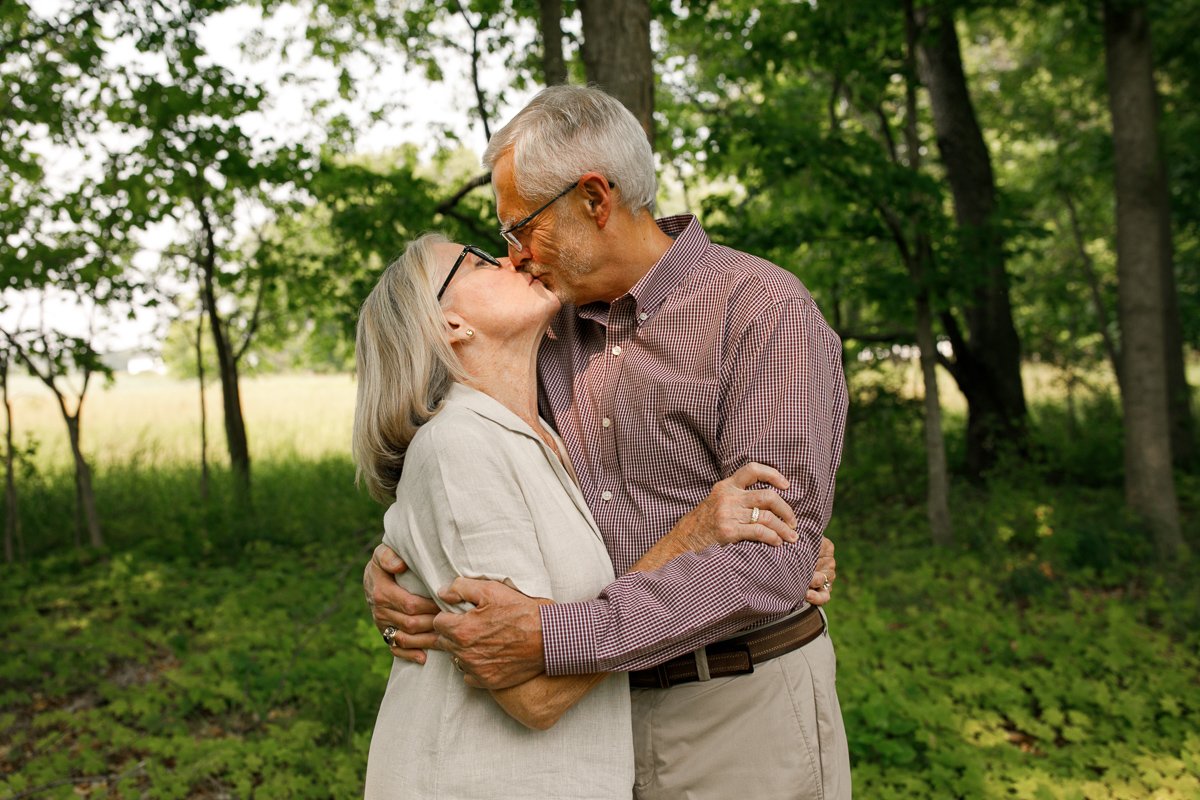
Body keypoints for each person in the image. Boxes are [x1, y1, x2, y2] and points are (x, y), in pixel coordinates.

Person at [366, 84, 851, 799]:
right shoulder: (541, 331)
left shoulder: (761, 312)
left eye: (519, 227)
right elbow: (460, 469)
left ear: (594, 199)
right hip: (592, 721)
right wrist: (399, 570)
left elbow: (768, 564)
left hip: (736, 706)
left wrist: (552, 637)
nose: (515, 256)